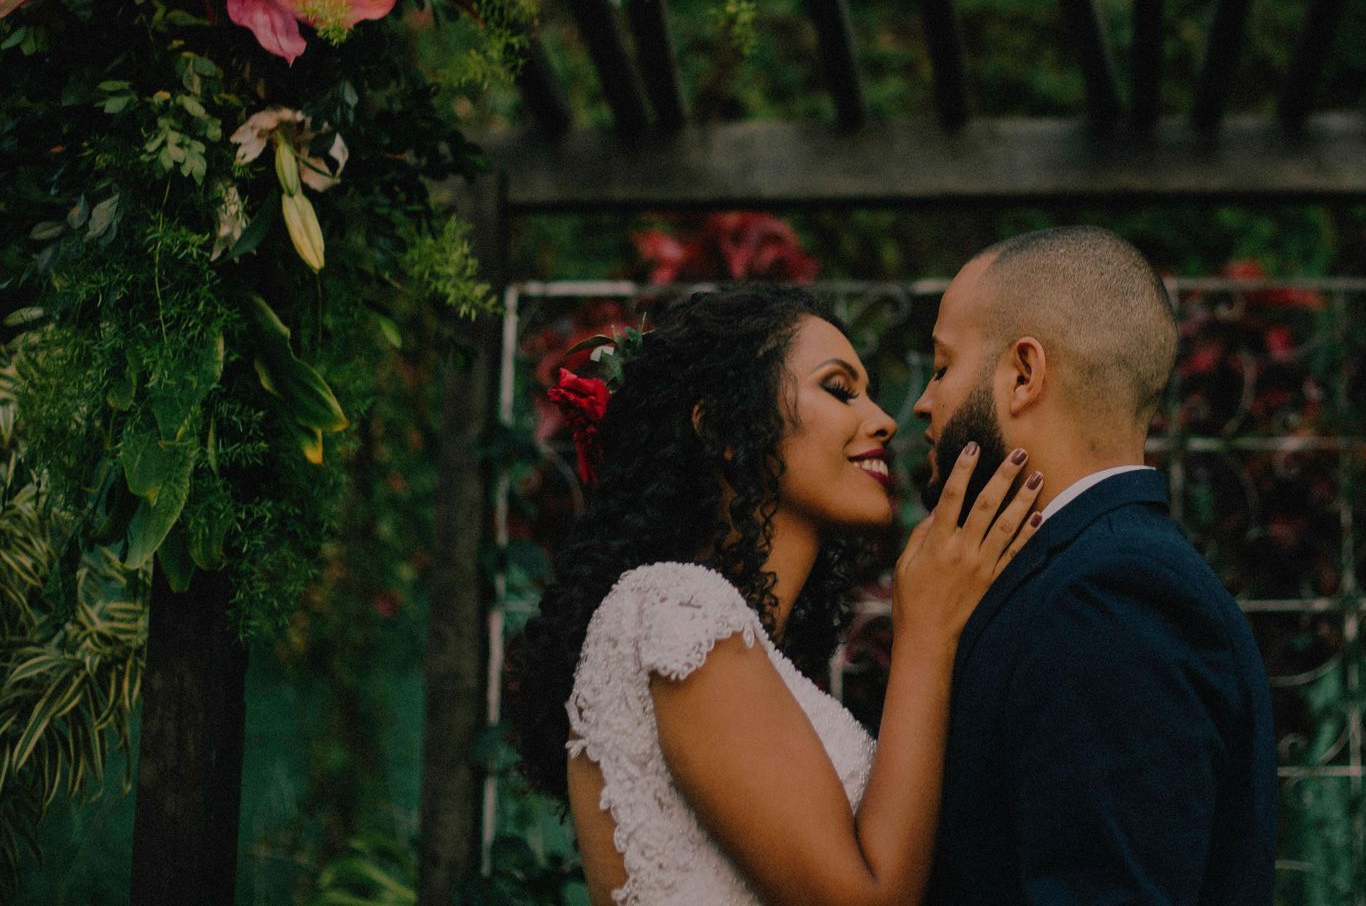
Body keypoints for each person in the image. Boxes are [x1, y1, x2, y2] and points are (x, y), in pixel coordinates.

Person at [508, 284, 1043, 906]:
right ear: (728, 428)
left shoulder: (738, 642)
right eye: (840, 389)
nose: (885, 419)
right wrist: (924, 635)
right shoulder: (678, 610)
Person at [914, 226, 1278, 906]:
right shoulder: (1083, 576)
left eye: (941, 366)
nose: (923, 402)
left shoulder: (1110, 594)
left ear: (1023, 375)